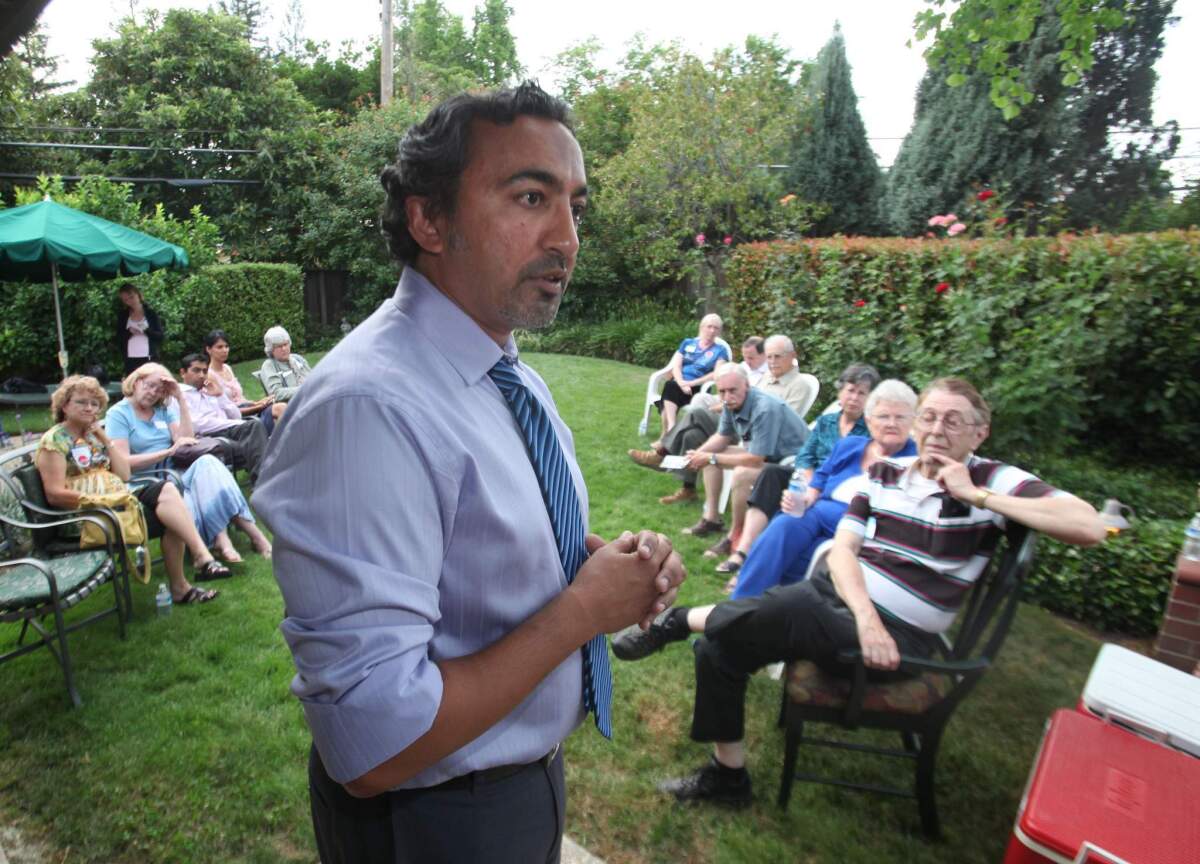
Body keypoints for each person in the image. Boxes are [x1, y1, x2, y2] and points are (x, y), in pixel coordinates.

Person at [251, 81, 685, 864]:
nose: (567, 238)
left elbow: (473, 545)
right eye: (529, 196)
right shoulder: (368, 409)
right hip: (438, 823)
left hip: (513, 791)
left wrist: (597, 568)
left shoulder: (502, 373)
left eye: (575, 207)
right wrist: (583, 612)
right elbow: (374, 747)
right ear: (429, 219)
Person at [612, 377, 1106, 807]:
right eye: (929, 417)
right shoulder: (885, 475)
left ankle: (674, 623)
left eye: (954, 422)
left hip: (900, 640)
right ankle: (728, 776)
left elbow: (1089, 526)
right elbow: (845, 550)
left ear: (980, 432)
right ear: (916, 425)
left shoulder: (991, 478)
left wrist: (976, 496)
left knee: (796, 603)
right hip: (856, 613)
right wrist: (865, 615)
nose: (936, 430)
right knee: (719, 647)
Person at [35, 375, 227, 604]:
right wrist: (101, 501)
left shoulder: (93, 436)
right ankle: (186, 581)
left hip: (117, 500)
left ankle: (199, 561)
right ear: (65, 405)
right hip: (87, 516)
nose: (89, 408)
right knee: (170, 515)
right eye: (81, 402)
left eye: (94, 404)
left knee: (167, 494)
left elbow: (124, 474)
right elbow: (55, 494)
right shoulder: (54, 440)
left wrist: (105, 440)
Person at [722, 380, 918, 593]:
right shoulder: (849, 445)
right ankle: (741, 603)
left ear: (912, 422)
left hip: (855, 526)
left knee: (803, 557)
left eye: (900, 417)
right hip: (816, 512)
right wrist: (807, 496)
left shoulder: (915, 462)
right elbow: (821, 476)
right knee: (783, 526)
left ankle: (764, 604)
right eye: (883, 416)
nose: (891, 423)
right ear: (869, 420)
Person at [716, 362, 880, 576]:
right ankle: (743, 551)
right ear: (841, 392)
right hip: (809, 479)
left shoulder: (871, 431)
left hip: (836, 491)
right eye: (850, 390)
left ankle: (753, 567)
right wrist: (810, 478)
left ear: (871, 399)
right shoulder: (827, 422)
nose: (854, 398)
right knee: (771, 474)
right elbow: (805, 455)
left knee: (787, 501)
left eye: (862, 393)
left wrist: (816, 486)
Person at [106, 363, 272, 564]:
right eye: (149, 386)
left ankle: (249, 536)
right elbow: (123, 463)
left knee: (209, 464)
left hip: (174, 469)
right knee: (204, 479)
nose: (153, 393)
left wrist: (180, 399)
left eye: (159, 390)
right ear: (137, 381)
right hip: (147, 479)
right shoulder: (119, 414)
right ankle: (230, 539)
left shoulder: (162, 409)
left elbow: (186, 438)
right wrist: (167, 452)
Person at [675, 365, 809, 555]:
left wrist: (710, 457)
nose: (727, 396)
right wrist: (698, 455)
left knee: (742, 473)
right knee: (710, 459)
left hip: (793, 466)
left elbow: (755, 460)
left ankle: (735, 535)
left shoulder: (764, 409)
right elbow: (722, 437)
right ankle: (711, 519)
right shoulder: (731, 403)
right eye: (722, 391)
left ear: (746, 385)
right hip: (769, 457)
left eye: (732, 390)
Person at [179, 353, 269, 485]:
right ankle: (264, 482)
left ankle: (264, 481)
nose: (201, 375)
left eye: (204, 371)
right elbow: (197, 425)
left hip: (227, 428)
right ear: (183, 372)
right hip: (207, 435)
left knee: (256, 427)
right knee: (253, 426)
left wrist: (220, 395)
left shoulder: (208, 391)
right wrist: (231, 424)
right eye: (196, 370)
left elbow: (236, 415)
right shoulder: (180, 395)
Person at [654, 313, 730, 436]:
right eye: (709, 326)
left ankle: (667, 433)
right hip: (680, 384)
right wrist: (682, 383)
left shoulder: (720, 350)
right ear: (702, 327)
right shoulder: (687, 343)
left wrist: (690, 383)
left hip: (699, 388)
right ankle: (672, 429)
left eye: (716, 328)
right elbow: (676, 366)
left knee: (669, 389)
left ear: (719, 331)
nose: (712, 330)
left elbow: (716, 373)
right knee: (671, 386)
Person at [203, 329, 276, 434]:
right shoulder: (209, 376)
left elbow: (240, 399)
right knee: (277, 409)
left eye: (226, 346)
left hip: (248, 409)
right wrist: (258, 407)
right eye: (219, 347)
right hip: (236, 417)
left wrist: (258, 402)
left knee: (280, 406)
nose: (225, 350)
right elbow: (224, 410)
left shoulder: (227, 368)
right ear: (209, 349)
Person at [259, 326, 312, 423]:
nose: (284, 348)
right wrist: (303, 390)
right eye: (279, 346)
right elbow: (276, 393)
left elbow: (312, 379)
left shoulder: (298, 359)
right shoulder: (269, 365)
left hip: (309, 400)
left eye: (286, 344)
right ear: (271, 350)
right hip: (291, 407)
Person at [115, 283, 163, 376]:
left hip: (149, 358)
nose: (130, 301)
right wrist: (129, 332)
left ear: (138, 294)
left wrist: (146, 330)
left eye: (131, 297)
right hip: (130, 359)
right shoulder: (123, 315)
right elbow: (118, 338)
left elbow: (160, 337)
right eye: (126, 300)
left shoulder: (151, 313)